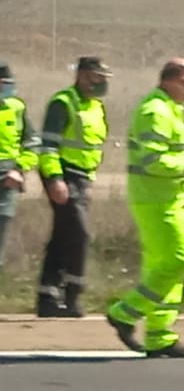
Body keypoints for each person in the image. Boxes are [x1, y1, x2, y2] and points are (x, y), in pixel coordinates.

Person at [106, 58, 184, 359]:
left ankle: (160, 336)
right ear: (172, 81)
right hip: (156, 201)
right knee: (180, 260)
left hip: (167, 198)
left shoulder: (170, 110)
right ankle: (125, 313)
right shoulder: (155, 111)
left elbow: (167, 153)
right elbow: (151, 161)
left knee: (163, 269)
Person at [35, 56, 113, 317]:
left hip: (82, 177)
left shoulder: (95, 106)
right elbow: (48, 146)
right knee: (79, 235)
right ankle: (73, 296)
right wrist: (55, 179)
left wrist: (89, 180)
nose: (102, 83)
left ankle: (47, 297)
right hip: (63, 175)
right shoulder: (63, 103)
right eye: (97, 77)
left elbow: (91, 147)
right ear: (82, 75)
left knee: (63, 236)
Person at [0, 60, 42, 268]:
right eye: (2, 83)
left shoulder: (16, 108)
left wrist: (19, 170)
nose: (7, 88)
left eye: (8, 83)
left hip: (7, 179)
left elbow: (32, 143)